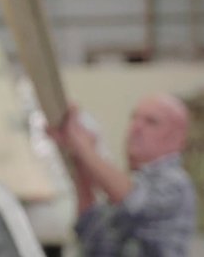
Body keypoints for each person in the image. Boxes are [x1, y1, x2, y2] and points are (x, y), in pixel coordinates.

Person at [47, 94, 196, 257]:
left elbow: (133, 203)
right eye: (134, 118)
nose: (136, 127)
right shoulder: (128, 185)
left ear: (177, 137)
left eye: (151, 121)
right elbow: (89, 229)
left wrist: (83, 146)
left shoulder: (176, 184)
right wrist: (78, 157)